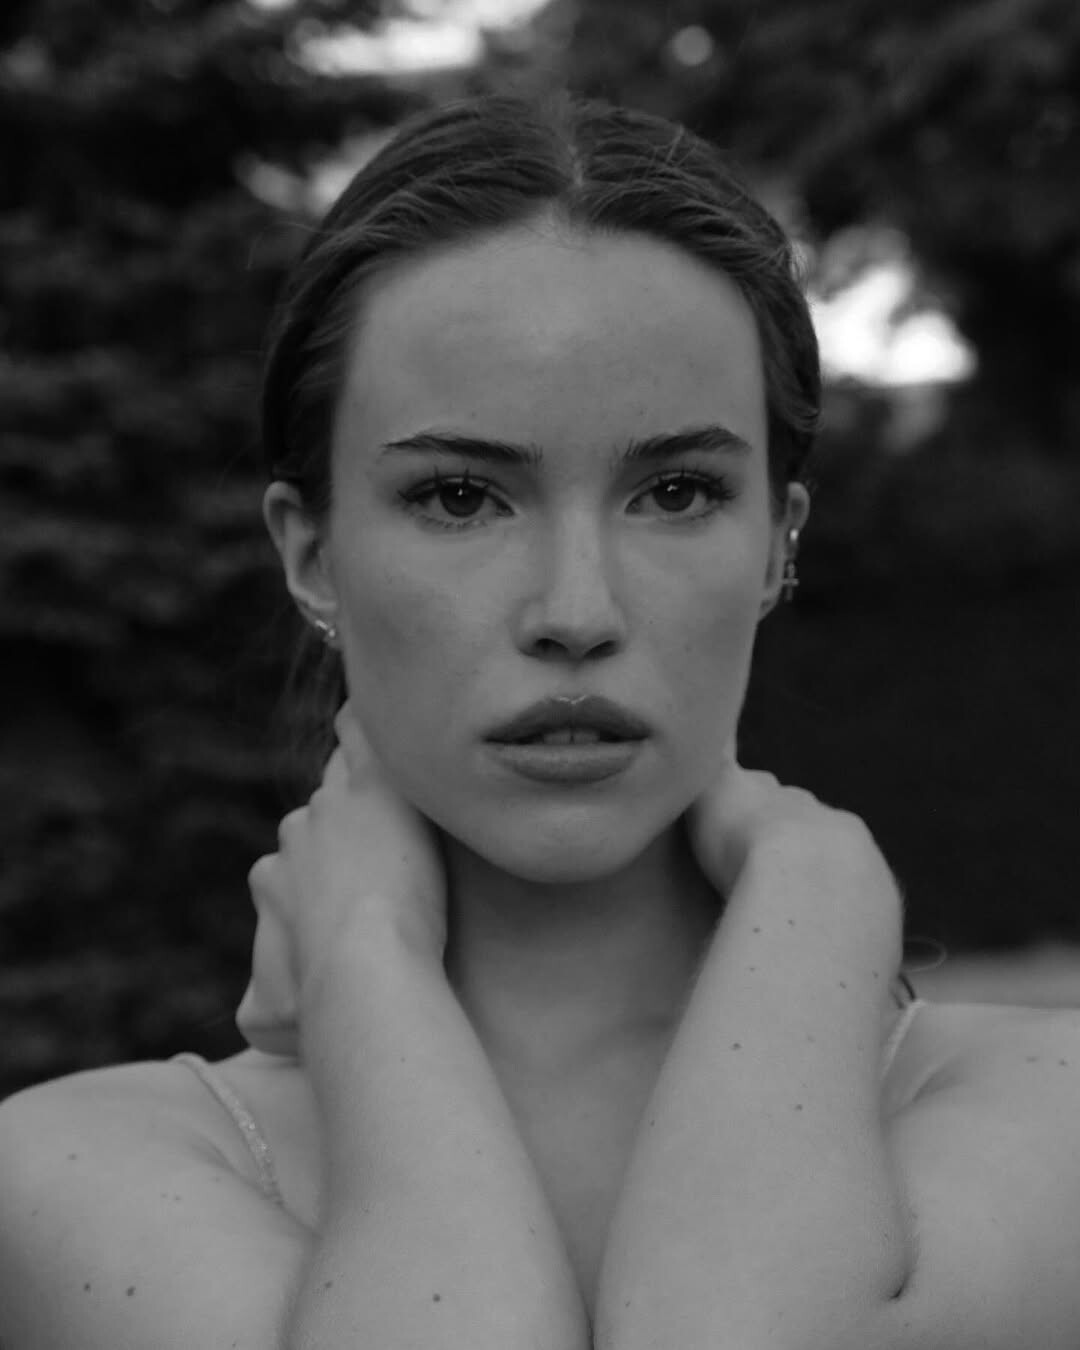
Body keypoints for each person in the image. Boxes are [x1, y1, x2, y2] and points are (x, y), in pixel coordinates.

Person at [1, 89, 1078, 1350]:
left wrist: (816, 894)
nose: (576, 612)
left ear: (777, 543)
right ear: (312, 554)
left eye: (677, 491)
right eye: (461, 497)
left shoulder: (1048, 1108)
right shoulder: (70, 1172)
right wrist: (365, 960)